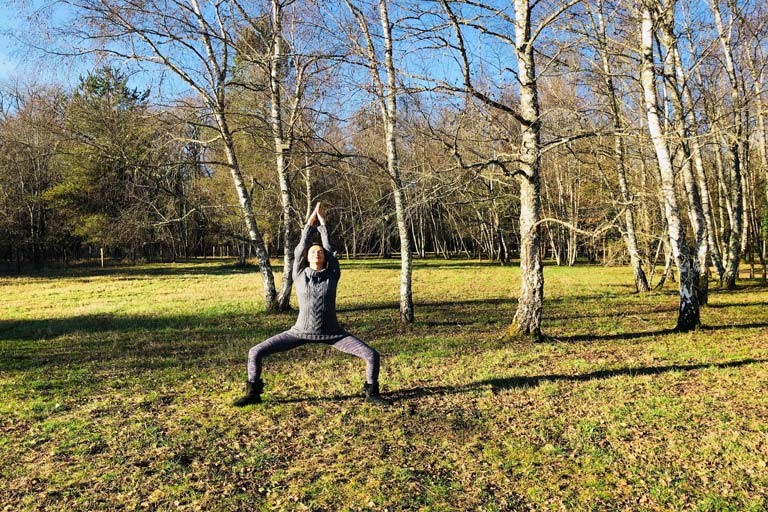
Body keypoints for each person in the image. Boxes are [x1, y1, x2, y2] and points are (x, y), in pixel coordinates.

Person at [234, 202, 390, 407]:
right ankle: (252, 393)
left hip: (334, 333)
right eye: (313, 252)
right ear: (307, 258)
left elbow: (331, 250)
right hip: (299, 332)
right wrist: (310, 224)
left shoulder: (332, 275)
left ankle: (372, 393)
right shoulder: (299, 274)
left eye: (320, 252)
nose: (317, 253)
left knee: (371, 355)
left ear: (324, 257)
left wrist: (323, 225)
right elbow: (299, 250)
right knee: (255, 351)